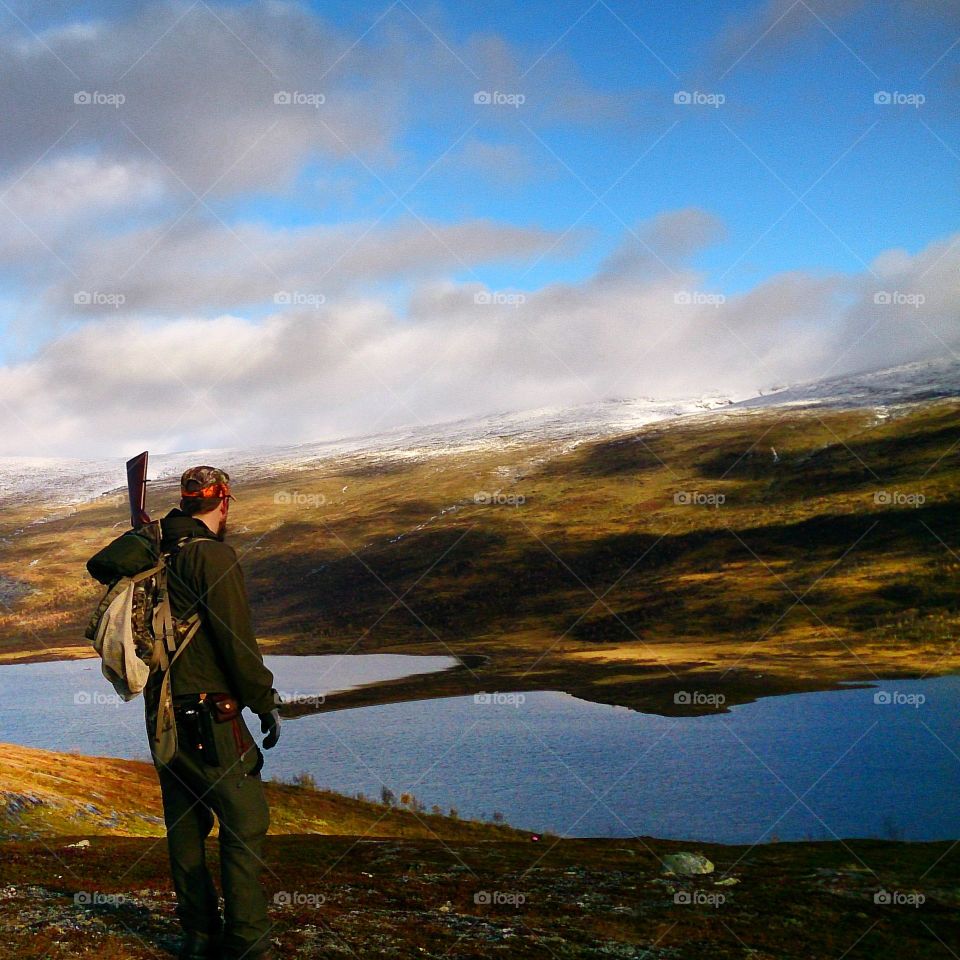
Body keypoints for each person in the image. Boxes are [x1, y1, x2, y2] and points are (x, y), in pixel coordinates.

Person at [147, 466, 281, 960]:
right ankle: (246, 942)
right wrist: (264, 701)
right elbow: (236, 641)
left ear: (185, 502)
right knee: (246, 819)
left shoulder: (156, 555)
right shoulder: (213, 556)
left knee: (184, 825)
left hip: (161, 711)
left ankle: (198, 936)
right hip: (210, 715)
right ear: (223, 502)